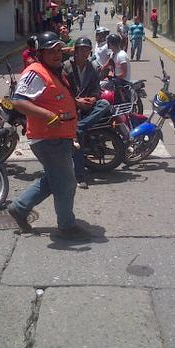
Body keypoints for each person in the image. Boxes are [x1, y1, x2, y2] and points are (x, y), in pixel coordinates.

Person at [7, 31, 91, 241]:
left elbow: (56, 96)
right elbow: (17, 101)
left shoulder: (53, 70)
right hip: (48, 138)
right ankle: (67, 226)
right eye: (50, 51)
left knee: (55, 178)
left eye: (58, 50)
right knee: (67, 182)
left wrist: (77, 103)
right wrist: (47, 115)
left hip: (59, 135)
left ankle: (19, 208)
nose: (56, 54)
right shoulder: (36, 72)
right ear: (40, 53)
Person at [63, 37, 111, 189]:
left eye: (86, 50)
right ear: (75, 51)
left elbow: (97, 88)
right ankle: (80, 176)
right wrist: (76, 102)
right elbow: (61, 91)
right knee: (79, 140)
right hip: (70, 106)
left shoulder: (92, 67)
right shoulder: (65, 67)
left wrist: (93, 98)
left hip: (87, 107)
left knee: (105, 103)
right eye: (81, 49)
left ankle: (80, 126)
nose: (84, 52)